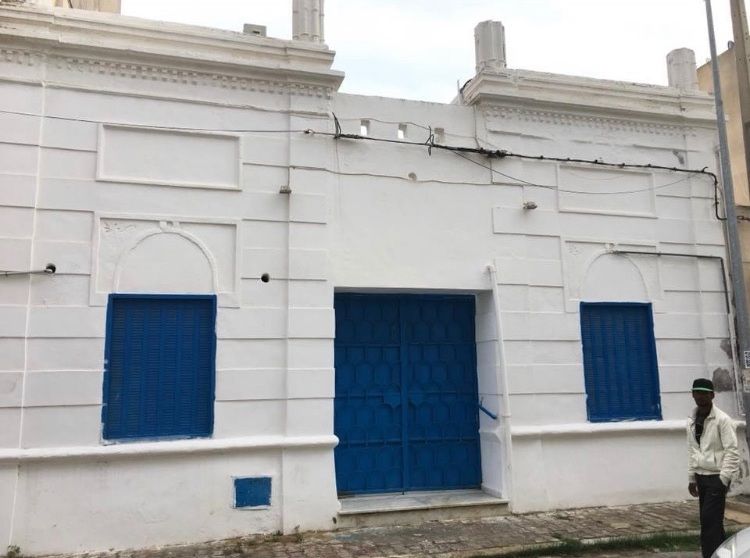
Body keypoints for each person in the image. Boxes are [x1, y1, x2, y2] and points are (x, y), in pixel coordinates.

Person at [687, 378, 740, 558]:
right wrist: (691, 478)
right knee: (709, 522)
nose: (700, 396)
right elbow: (692, 450)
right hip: (701, 476)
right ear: (692, 394)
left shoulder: (722, 420)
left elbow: (732, 451)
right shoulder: (692, 420)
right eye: (697, 392)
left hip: (716, 477)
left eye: (704, 393)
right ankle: (721, 554)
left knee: (711, 521)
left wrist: (723, 479)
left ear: (712, 395)